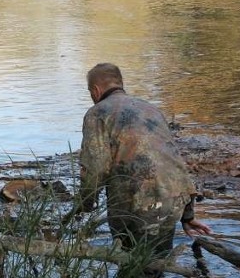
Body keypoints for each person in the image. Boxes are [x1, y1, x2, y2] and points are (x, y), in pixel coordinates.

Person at [77, 63, 212, 254]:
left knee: (133, 269)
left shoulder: (97, 113)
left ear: (96, 90)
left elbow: (96, 168)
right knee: (156, 264)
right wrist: (187, 216)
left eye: (90, 93)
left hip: (136, 203)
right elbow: (172, 159)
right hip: (173, 201)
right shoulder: (150, 109)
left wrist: (84, 205)